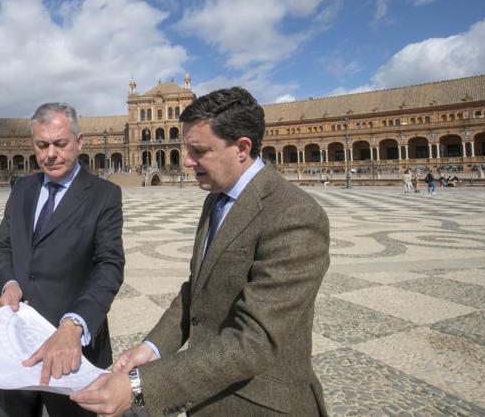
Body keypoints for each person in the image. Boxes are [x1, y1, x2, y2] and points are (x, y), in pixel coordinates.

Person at [71, 87, 330, 416]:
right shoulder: (217, 199)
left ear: (241, 148)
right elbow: (198, 291)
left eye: (200, 151)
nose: (189, 161)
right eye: (186, 149)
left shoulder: (294, 215)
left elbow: (255, 341)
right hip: (206, 396)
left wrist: (139, 386)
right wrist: (153, 348)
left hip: (261, 405)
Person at [0, 102, 125, 417]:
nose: (51, 153)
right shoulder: (23, 188)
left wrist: (75, 323)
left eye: (60, 144)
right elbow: (1, 246)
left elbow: (109, 265)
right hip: (18, 344)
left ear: (80, 142)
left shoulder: (104, 195)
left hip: (72, 350)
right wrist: (8, 283)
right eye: (42, 145)